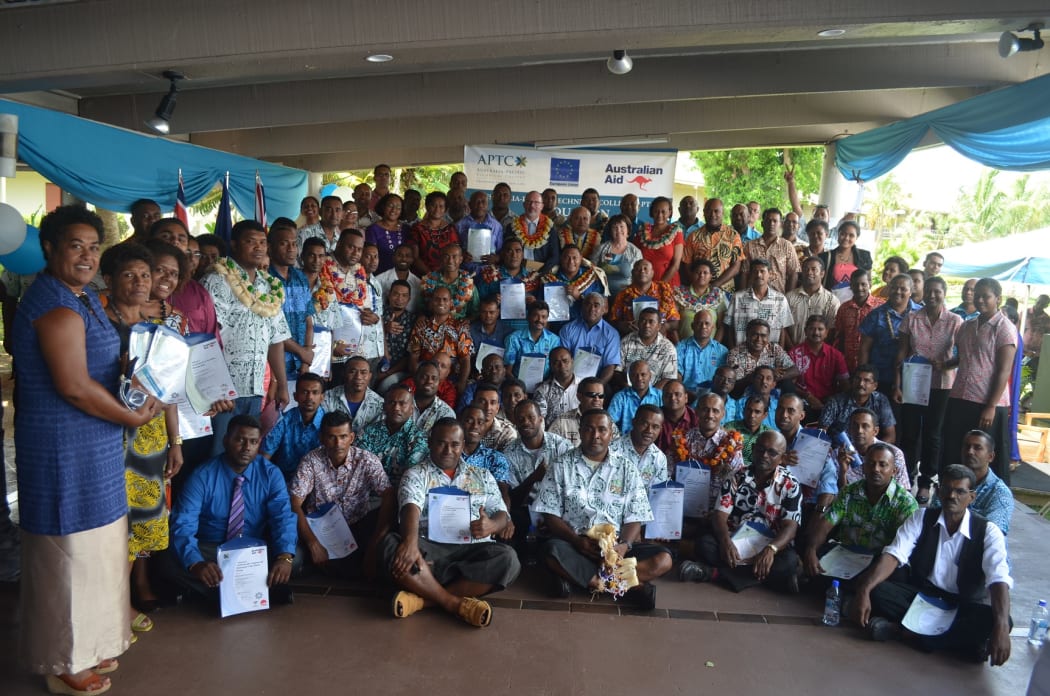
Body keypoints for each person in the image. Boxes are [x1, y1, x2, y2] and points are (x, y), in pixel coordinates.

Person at [15, 206, 162, 695]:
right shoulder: (52, 304)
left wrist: (138, 379)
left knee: (99, 550)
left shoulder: (83, 300)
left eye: (93, 246)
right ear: (50, 248)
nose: (86, 255)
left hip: (96, 448)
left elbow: (104, 368)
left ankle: (93, 642)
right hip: (62, 450)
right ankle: (61, 659)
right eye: (75, 245)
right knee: (67, 554)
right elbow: (75, 387)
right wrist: (135, 416)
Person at [852, 465, 1012, 666]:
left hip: (962, 605)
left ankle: (903, 633)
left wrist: (1002, 626)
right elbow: (894, 554)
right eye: (946, 489)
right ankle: (958, 644)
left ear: (972, 497)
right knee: (878, 590)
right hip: (923, 598)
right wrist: (865, 590)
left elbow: (998, 579)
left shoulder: (988, 532)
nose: (951, 496)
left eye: (960, 491)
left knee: (999, 621)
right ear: (938, 490)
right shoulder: (921, 518)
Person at [381, 418, 521, 627]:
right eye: (441, 443)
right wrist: (410, 543)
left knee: (508, 559)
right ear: (430, 443)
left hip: (470, 550)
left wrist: (492, 525)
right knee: (391, 546)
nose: (448, 450)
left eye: (455, 444)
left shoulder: (481, 476)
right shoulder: (416, 474)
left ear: (463, 446)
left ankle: (424, 600)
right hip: (428, 549)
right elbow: (410, 506)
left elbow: (502, 513)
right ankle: (455, 604)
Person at [533, 410, 673, 609]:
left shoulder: (626, 468)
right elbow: (549, 513)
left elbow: (636, 514)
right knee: (551, 551)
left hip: (616, 547)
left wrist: (624, 545)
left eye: (602, 430)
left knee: (664, 560)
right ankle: (629, 587)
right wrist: (576, 541)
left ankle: (591, 580)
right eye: (589, 429)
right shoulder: (561, 465)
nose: (595, 435)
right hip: (577, 543)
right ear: (580, 431)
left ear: (611, 434)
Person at [168, 416, 298, 604]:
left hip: (254, 550)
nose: (247, 447)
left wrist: (284, 557)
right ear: (226, 440)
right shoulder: (202, 476)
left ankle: (208, 595)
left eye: (253, 442)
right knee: (168, 560)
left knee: (296, 556)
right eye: (240, 440)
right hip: (212, 549)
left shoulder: (270, 473)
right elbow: (183, 523)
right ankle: (257, 592)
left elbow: (283, 517)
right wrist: (196, 563)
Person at [201, 220, 291, 453]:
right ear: (234, 244)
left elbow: (276, 340)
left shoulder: (270, 287)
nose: (258, 247)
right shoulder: (216, 280)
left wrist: (281, 384)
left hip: (254, 389)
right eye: (251, 242)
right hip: (222, 390)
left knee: (244, 453)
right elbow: (205, 338)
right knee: (218, 452)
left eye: (262, 242)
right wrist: (214, 386)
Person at [682, 431, 802, 593]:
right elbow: (719, 515)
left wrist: (770, 550)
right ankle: (767, 579)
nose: (764, 455)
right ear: (752, 449)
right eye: (760, 449)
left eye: (772, 452)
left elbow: (790, 527)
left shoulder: (790, 485)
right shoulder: (736, 477)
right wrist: (725, 541)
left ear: (782, 457)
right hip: (735, 543)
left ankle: (713, 574)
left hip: (770, 545)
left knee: (788, 561)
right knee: (705, 544)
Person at [290, 411, 394, 578]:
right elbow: (294, 502)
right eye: (331, 437)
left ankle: (338, 566)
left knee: (384, 540)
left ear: (352, 438)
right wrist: (313, 543)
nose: (338, 443)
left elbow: (388, 494)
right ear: (321, 438)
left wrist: (376, 541)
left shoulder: (366, 460)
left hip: (357, 524)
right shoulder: (311, 461)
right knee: (296, 557)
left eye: (343, 437)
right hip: (320, 528)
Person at [802, 443, 918, 582]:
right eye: (870, 463)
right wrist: (811, 550)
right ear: (863, 467)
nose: (875, 469)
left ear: (894, 471)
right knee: (813, 556)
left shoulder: (906, 504)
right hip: (845, 554)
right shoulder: (849, 492)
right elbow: (826, 525)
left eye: (883, 465)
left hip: (877, 562)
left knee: (896, 576)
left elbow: (901, 551)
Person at [893, 276, 962, 501]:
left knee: (933, 435)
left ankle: (925, 483)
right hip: (914, 382)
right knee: (910, 433)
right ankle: (906, 480)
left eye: (937, 292)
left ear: (944, 293)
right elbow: (902, 352)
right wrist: (897, 383)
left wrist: (947, 365)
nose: (932, 296)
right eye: (929, 291)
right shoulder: (911, 319)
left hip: (941, 385)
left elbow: (965, 353)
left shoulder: (955, 321)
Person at [942, 278, 1017, 486]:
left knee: (984, 457)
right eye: (978, 295)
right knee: (956, 450)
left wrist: (991, 406)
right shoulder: (967, 325)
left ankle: (989, 502)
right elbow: (965, 358)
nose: (981, 299)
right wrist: (944, 364)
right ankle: (953, 495)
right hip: (959, 397)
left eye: (986, 296)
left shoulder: (1005, 328)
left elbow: (1003, 370)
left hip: (987, 404)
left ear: (998, 299)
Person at [504, 400, 572, 546]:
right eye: (521, 419)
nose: (526, 422)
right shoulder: (510, 452)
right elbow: (513, 499)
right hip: (527, 513)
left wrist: (553, 519)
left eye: (531, 417)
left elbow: (573, 488)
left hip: (560, 511)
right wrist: (534, 478)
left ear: (541, 420)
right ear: (515, 422)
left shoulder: (561, 446)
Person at [929, 431, 1014, 534]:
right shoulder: (948, 482)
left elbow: (993, 534)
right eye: (967, 446)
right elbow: (933, 519)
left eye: (977, 448)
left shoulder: (1000, 493)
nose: (970, 452)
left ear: (990, 456)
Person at [683, 394, 746, 519]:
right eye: (705, 409)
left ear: (723, 414)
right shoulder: (683, 440)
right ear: (697, 411)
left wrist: (719, 514)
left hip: (717, 514)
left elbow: (737, 483)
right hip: (684, 509)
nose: (710, 415)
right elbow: (668, 474)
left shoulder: (732, 445)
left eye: (715, 411)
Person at [355, 384, 430, 487]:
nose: (396, 408)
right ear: (384, 406)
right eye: (392, 402)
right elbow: (358, 467)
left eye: (402, 404)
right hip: (366, 492)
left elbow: (411, 478)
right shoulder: (368, 431)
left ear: (411, 409)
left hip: (399, 495)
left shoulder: (418, 439)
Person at [268, 221, 316, 378]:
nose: (291, 249)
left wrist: (306, 357)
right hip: (275, 365)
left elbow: (308, 320)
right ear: (270, 247)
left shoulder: (300, 277)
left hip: (302, 364)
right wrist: (302, 352)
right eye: (284, 244)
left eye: (294, 244)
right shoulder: (264, 279)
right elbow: (273, 329)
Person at [407, 286, 474, 395]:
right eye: (437, 299)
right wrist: (419, 380)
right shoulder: (420, 326)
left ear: (451, 303)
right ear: (431, 302)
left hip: (452, 380)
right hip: (425, 379)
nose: (441, 302)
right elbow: (413, 358)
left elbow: (465, 360)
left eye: (445, 299)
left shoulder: (460, 327)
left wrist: (462, 382)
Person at [261, 373, 327, 482]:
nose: (309, 397)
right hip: (283, 481)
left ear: (322, 397)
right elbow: (265, 456)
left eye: (315, 393)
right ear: (295, 396)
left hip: (317, 482)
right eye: (304, 392)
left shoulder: (327, 424)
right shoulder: (283, 420)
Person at [832, 408, 910, 490]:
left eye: (865, 426)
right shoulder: (839, 454)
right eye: (855, 426)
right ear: (850, 430)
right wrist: (843, 472)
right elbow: (841, 495)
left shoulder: (894, 453)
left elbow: (904, 491)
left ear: (875, 431)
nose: (859, 431)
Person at [788, 315, 848, 417]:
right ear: (805, 331)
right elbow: (789, 385)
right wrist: (807, 396)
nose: (816, 333)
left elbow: (845, 384)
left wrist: (833, 402)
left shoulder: (836, 355)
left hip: (829, 403)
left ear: (827, 332)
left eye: (820, 329)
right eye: (812, 329)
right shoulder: (794, 353)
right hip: (801, 402)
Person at [723, 259, 793, 346]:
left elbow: (782, 329)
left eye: (762, 271)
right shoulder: (737, 298)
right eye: (755, 272)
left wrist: (780, 353)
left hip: (770, 354)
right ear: (750, 274)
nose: (758, 275)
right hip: (742, 352)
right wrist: (733, 349)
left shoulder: (780, 299)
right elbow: (730, 328)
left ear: (770, 274)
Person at [557, 292, 621, 384]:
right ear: (582, 307)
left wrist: (597, 387)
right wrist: (570, 384)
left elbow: (610, 366)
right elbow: (563, 361)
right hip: (570, 380)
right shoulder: (567, 329)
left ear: (603, 309)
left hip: (598, 380)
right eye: (588, 304)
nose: (592, 309)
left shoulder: (611, 334)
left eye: (596, 305)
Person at [820, 366, 897, 441]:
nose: (861, 384)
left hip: (870, 450)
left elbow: (890, 436)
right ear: (852, 381)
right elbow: (821, 433)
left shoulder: (881, 400)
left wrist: (873, 451)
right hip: (838, 449)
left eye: (866, 380)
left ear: (875, 386)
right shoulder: (835, 402)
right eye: (857, 379)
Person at [609, 259, 680, 338]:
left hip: (659, 340)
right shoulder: (624, 294)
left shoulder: (663, 290)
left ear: (652, 273)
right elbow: (613, 322)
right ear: (632, 273)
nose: (642, 271)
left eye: (645, 268)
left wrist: (665, 326)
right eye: (638, 269)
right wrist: (623, 326)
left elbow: (675, 322)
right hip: (632, 340)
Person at [682, 198, 743, 289]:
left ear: (723, 213)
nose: (712, 214)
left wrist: (715, 285)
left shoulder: (733, 235)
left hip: (725, 291)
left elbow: (736, 266)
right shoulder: (693, 236)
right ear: (704, 212)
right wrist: (700, 284)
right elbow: (687, 264)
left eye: (716, 211)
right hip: (699, 291)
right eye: (709, 211)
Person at [834, 268, 884, 373]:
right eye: (855, 284)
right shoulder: (844, 308)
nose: (859, 288)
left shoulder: (881, 306)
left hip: (873, 363)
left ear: (869, 284)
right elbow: (839, 336)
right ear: (850, 286)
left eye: (863, 284)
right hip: (848, 364)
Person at [540, 244, 607, 323]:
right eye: (567, 257)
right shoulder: (549, 279)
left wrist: (580, 298)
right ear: (561, 259)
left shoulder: (593, 278)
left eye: (575, 258)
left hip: (584, 327)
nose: (571, 261)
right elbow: (541, 307)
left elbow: (604, 309)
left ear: (581, 258)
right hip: (556, 327)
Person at [609, 405, 669, 490]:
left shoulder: (659, 458)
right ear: (634, 422)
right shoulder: (612, 450)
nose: (649, 431)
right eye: (644, 424)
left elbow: (658, 496)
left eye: (655, 427)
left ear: (660, 430)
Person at [784, 256, 839, 347]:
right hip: (792, 352)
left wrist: (819, 350)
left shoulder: (831, 300)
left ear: (822, 273)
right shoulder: (789, 298)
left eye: (814, 269)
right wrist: (793, 350)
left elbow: (832, 330)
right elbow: (783, 327)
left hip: (820, 355)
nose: (809, 272)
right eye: (806, 269)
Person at [725, 318, 798, 387]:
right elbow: (735, 383)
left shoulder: (774, 348)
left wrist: (772, 378)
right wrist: (768, 374)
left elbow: (795, 370)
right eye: (754, 335)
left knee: (787, 383)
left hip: (771, 389)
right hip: (746, 392)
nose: (759, 339)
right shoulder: (735, 354)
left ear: (768, 337)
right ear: (747, 335)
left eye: (763, 336)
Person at [742, 208, 800, 294]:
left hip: (778, 299)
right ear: (762, 223)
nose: (771, 224)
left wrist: (788, 298)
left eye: (775, 221)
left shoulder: (787, 246)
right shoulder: (749, 245)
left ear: (780, 224)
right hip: (753, 297)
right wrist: (742, 296)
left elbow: (794, 273)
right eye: (768, 220)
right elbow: (744, 273)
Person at [549, 377, 620, 447]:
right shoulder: (562, 422)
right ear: (579, 396)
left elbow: (617, 451)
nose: (597, 399)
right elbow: (549, 449)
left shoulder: (609, 424)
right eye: (592, 395)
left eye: (601, 396)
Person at [321, 356, 384, 434]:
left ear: (370, 376)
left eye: (363, 372)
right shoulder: (327, 398)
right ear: (343, 373)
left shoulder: (379, 404)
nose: (358, 377)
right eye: (352, 372)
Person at [619, 307, 678, 389]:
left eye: (651, 322)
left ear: (659, 326)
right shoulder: (626, 342)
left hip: (655, 394)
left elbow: (668, 378)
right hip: (628, 390)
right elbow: (617, 371)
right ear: (638, 323)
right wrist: (627, 389)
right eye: (643, 321)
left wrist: (651, 394)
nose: (647, 325)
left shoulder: (668, 348)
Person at [676, 309, 728, 400]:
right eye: (699, 323)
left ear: (713, 327)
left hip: (713, 397)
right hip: (686, 396)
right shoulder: (681, 348)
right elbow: (677, 376)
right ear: (692, 326)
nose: (703, 326)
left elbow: (724, 380)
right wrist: (685, 394)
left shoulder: (722, 351)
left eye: (707, 323)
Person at [503, 301, 561, 382]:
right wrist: (519, 387)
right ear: (528, 317)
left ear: (547, 319)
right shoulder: (514, 338)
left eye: (544, 317)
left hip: (545, 386)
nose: (540, 320)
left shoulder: (554, 340)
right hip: (518, 386)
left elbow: (556, 368)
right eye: (535, 316)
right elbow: (507, 371)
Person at [632, 196, 684, 286]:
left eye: (663, 212)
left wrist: (659, 286)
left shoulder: (676, 232)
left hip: (668, 284)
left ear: (670, 212)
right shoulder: (642, 232)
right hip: (644, 285)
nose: (660, 215)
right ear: (652, 212)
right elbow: (635, 261)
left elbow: (676, 265)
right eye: (656, 211)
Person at [421, 243, 478, 321]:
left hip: (459, 328)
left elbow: (476, 312)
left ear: (461, 259)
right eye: (446, 256)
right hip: (432, 327)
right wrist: (421, 316)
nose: (450, 261)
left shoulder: (469, 285)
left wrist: (466, 322)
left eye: (454, 257)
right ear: (441, 259)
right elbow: (420, 308)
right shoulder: (428, 281)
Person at [505, 190, 559, 273]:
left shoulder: (550, 228)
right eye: (529, 202)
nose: (532, 205)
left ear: (542, 206)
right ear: (524, 205)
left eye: (536, 203)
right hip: (517, 273)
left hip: (542, 273)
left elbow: (555, 257)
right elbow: (506, 252)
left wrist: (539, 273)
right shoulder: (512, 227)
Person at [674, 258, 728, 342]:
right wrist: (679, 347)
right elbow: (672, 325)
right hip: (684, 347)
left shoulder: (718, 295)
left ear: (710, 276)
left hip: (710, 348)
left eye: (705, 273)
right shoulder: (679, 294)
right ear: (692, 274)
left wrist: (714, 347)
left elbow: (722, 326)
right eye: (698, 272)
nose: (701, 275)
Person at [408, 191, 460, 275]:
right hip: (422, 275)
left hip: (446, 275)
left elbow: (455, 254)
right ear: (427, 207)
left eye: (441, 206)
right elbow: (415, 257)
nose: (437, 209)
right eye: (433, 205)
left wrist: (444, 276)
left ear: (445, 209)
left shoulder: (450, 229)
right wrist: (431, 275)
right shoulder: (417, 228)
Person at [591, 213, 643, 296]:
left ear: (628, 230)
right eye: (615, 227)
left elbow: (640, 277)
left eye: (622, 227)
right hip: (602, 294)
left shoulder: (635, 252)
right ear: (610, 231)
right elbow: (591, 272)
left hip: (627, 295)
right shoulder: (600, 249)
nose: (618, 230)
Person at [607, 360, 663, 434]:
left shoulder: (660, 396)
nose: (639, 378)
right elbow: (609, 423)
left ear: (650, 376)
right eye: (634, 375)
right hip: (625, 441)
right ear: (629, 377)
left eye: (643, 374)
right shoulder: (620, 397)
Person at [819, 220, 872, 296]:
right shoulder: (825, 257)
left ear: (857, 237)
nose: (846, 238)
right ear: (838, 234)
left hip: (857, 302)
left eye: (851, 235)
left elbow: (869, 281)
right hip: (832, 302)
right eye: (843, 234)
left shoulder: (864, 256)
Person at [532, 347, 580, 426]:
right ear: (550, 366)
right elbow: (540, 420)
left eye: (565, 361)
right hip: (552, 435)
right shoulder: (543, 390)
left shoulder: (585, 387)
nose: (562, 366)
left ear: (572, 361)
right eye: (556, 362)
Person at [455, 190, 503, 269]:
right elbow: (454, 249)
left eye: (483, 202)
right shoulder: (459, 225)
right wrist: (461, 255)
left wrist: (496, 258)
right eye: (477, 202)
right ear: (470, 205)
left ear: (488, 205)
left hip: (489, 273)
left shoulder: (497, 226)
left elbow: (501, 252)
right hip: (465, 270)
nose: (480, 205)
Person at [365, 193, 408, 275]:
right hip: (380, 275)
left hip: (402, 276)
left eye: (398, 207)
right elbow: (370, 255)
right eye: (390, 205)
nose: (394, 210)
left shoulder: (406, 229)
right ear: (383, 206)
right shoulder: (373, 229)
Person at [724, 395, 774, 464]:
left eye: (757, 412)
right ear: (743, 410)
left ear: (765, 415)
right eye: (749, 410)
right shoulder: (731, 427)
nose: (752, 415)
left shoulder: (769, 434)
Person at [410, 361, 457, 433]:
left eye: (434, 378)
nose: (429, 381)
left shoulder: (446, 413)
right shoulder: (402, 403)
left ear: (439, 383)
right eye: (424, 377)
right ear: (415, 379)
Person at [471, 382, 518, 452]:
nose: (488, 407)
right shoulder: (462, 427)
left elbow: (504, 461)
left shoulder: (507, 432)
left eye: (492, 403)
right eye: (482, 402)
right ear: (472, 403)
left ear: (497, 408)